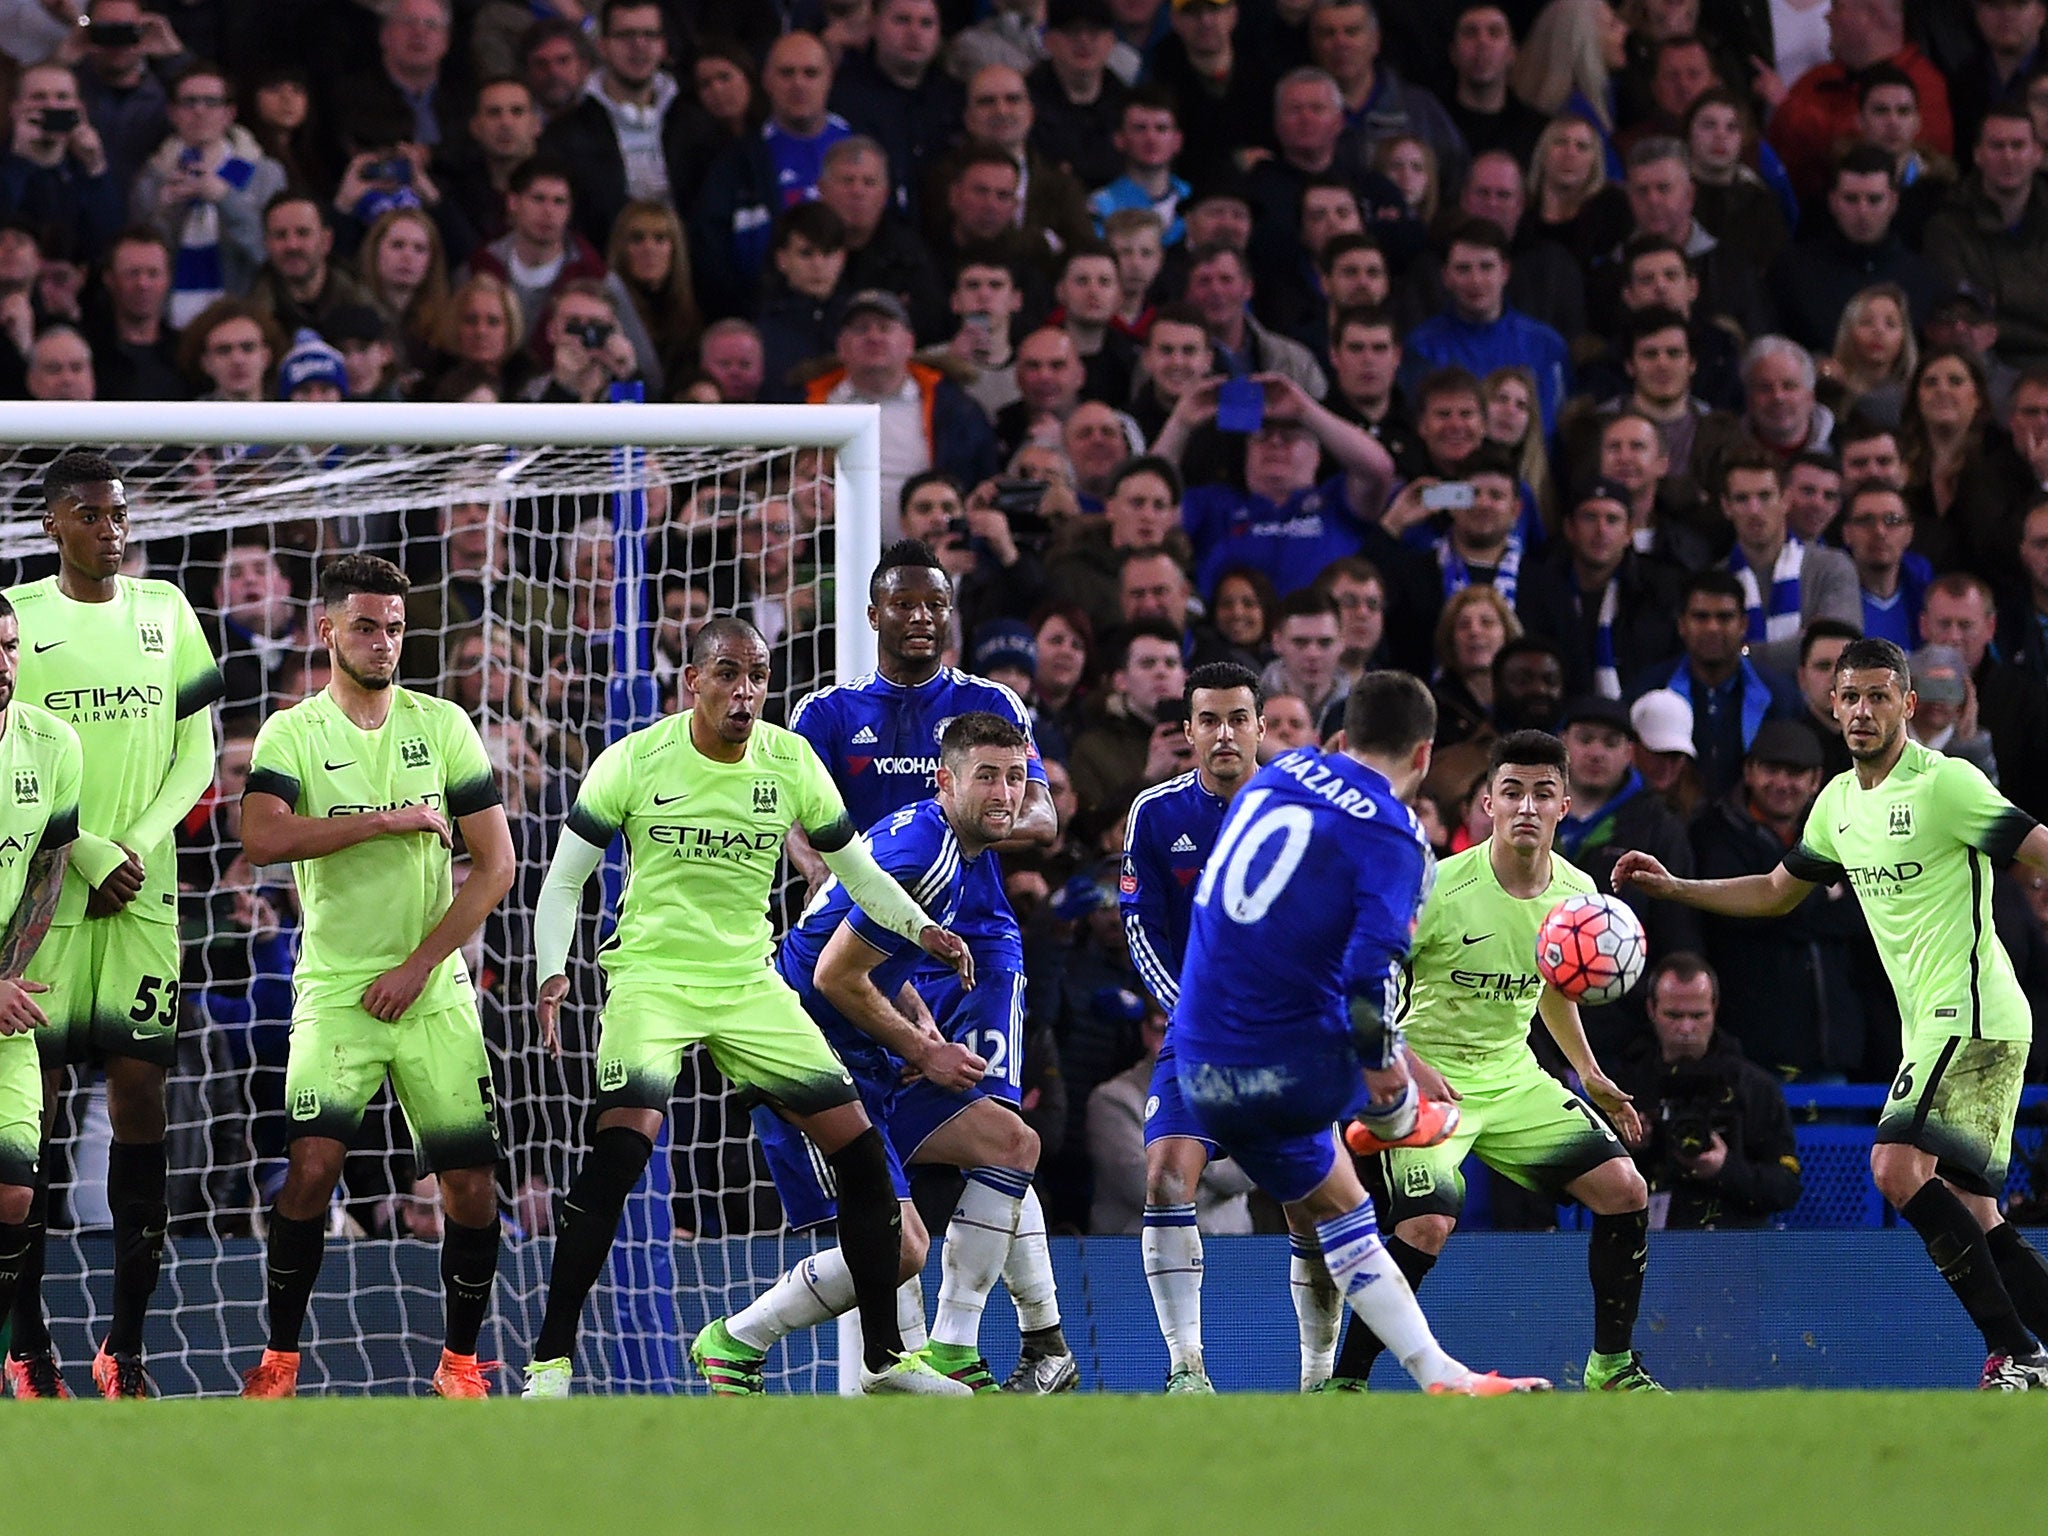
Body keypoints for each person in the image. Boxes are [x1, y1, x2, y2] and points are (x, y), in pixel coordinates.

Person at [521, 616, 975, 1398]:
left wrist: (921, 927)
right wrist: (551, 971)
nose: (745, 692)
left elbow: (854, 872)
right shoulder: (633, 762)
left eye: (758, 676)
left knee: (863, 1160)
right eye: (728, 674)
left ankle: (883, 1363)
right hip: (654, 981)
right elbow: (565, 879)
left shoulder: (790, 761)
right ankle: (551, 1362)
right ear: (692, 681)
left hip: (749, 984)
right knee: (622, 1155)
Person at [1617, 636, 2048, 1388]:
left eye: (1879, 695)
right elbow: (1778, 890)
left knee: (1893, 1165)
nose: (1861, 710)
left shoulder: (1946, 785)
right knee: (1979, 1216)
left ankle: (2019, 1355)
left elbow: (2040, 848)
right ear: (1831, 705)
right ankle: (2028, 1348)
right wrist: (1679, 888)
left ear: (1908, 705)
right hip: (1938, 1024)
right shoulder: (1840, 804)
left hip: (1972, 1013)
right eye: (1849, 696)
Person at [1173, 670, 1552, 1397]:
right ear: (1424, 755)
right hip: (1289, 1067)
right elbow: (1367, 971)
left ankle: (1438, 1373)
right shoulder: (1397, 836)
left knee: (1346, 1211)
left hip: (1199, 1064)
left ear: (1339, 738)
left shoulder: (1274, 776)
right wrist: (1385, 1072)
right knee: (1411, 1113)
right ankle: (1391, 1119)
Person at [786, 542, 1076, 1393]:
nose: (920, 618)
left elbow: (1046, 816)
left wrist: (955, 820)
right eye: (903, 604)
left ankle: (1023, 1338)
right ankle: (918, 1355)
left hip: (976, 944)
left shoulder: (989, 703)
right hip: (869, 951)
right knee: (893, 1155)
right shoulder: (831, 713)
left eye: (934, 605)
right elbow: (797, 821)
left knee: (994, 1124)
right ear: (873, 615)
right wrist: (837, 876)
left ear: (950, 615)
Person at [235, 555, 515, 1400]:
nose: (384, 641)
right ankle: (280, 1359)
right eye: (366, 625)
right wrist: (388, 820)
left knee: (469, 1185)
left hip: (429, 987)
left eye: (395, 627)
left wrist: (421, 965)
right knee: (312, 1169)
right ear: (327, 630)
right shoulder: (293, 732)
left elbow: (496, 866)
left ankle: (460, 1365)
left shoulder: (445, 725)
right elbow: (262, 840)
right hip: (334, 987)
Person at [695, 713, 1039, 1393]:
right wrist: (924, 1049)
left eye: (1016, 776)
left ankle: (951, 1346)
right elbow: (834, 974)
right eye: (987, 777)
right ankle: (736, 1341)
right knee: (903, 1248)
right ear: (946, 781)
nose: (1005, 794)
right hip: (803, 1046)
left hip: (860, 1041)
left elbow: (880, 955)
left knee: (1010, 1143)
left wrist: (920, 1027)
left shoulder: (944, 844)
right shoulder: (927, 857)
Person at [1329, 728, 1661, 1394]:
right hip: (1427, 1082)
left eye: (1544, 793)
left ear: (1565, 804)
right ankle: (1348, 1382)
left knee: (1626, 1191)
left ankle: (1612, 1367)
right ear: (1488, 804)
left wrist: (1590, 1072)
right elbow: (1362, 984)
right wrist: (1409, 1062)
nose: (1528, 808)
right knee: (1428, 1221)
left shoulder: (1577, 892)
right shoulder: (1437, 887)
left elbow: (1554, 991)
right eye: (1513, 792)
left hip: (1512, 1079)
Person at [3, 451, 224, 1400]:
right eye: (92, 515)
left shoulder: (168, 611)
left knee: (143, 1105)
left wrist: (131, 844)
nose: (113, 530)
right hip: (47, 898)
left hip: (145, 897)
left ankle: (124, 1347)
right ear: (54, 524)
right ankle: (31, 1345)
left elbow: (198, 755)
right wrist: (85, 850)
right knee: (32, 1120)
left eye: (120, 515)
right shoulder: (18, 619)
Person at [1121, 663, 1310, 1390]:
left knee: (1307, 1194)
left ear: (1263, 727)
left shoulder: (1302, 811)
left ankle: (1320, 1373)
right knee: (1168, 1178)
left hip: (1288, 1038)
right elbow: (1141, 931)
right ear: (1189, 732)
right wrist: (1197, 1018)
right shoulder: (1158, 815)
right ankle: (1186, 1367)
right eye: (1209, 720)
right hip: (1199, 1037)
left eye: (1238, 718)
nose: (1224, 733)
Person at [0, 592, 82, 1396]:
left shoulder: (51, 744)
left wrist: (5, 977)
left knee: (15, 1191)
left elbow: (46, 875)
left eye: (10, 646)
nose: (2, 663)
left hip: (3, 996)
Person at [1609, 953, 1804, 1229]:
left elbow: (1786, 1187)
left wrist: (1726, 1168)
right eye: (1674, 1015)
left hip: (1734, 1245)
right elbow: (1584, 1188)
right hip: (1652, 1248)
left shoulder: (1754, 1087)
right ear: (1651, 1009)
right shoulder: (1625, 1089)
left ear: (1715, 1008)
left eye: (1698, 1015)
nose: (1686, 1028)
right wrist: (1627, 1150)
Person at [1718, 449, 1862, 675]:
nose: (1754, 510)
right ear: (1726, 507)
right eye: (1742, 499)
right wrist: (1800, 643)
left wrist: (1743, 652)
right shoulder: (1717, 580)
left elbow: (1835, 648)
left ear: (1785, 500)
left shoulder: (1832, 567)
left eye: (1765, 496)